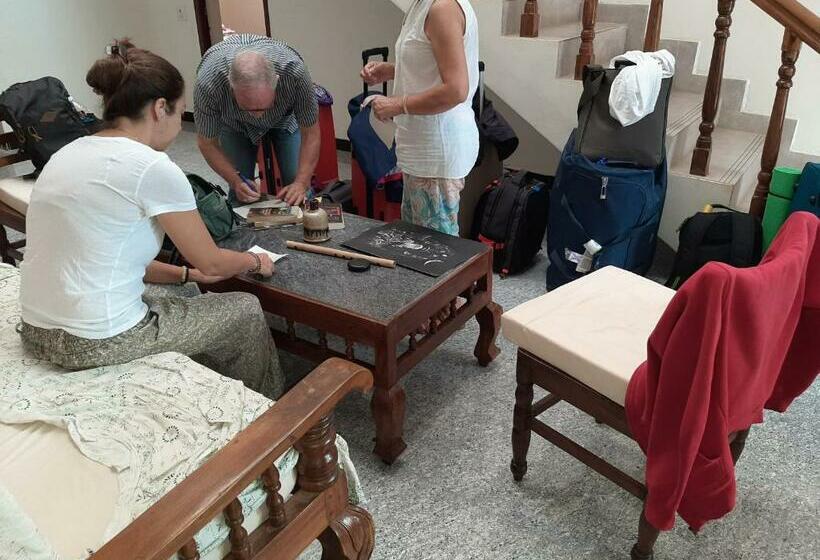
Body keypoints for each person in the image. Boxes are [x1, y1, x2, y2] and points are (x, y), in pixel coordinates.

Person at [18, 39, 285, 399]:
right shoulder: (152, 167)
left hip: (36, 330)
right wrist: (256, 260)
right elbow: (212, 260)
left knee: (187, 289)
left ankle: (207, 383)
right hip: (92, 341)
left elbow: (109, 258)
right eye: (179, 114)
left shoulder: (68, 153)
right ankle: (272, 419)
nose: (179, 126)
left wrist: (185, 275)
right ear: (160, 108)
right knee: (244, 310)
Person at [361, 0, 479, 236]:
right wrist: (392, 69)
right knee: (416, 243)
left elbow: (456, 90)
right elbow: (430, 62)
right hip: (421, 150)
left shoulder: (442, 9)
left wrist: (398, 104)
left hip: (436, 150)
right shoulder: (422, 5)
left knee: (434, 254)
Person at [194, 34, 320, 207]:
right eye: (249, 108)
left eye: (263, 107)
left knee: (298, 187)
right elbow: (206, 143)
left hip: (284, 118)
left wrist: (301, 182)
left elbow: (311, 133)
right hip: (234, 123)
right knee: (241, 191)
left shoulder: (294, 72)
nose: (258, 116)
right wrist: (235, 180)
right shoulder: (208, 82)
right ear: (231, 88)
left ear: (277, 81)